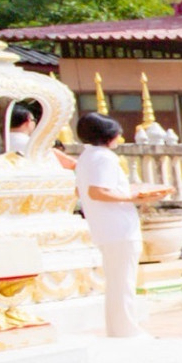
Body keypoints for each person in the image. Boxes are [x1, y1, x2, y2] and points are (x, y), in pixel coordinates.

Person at [73, 113, 168, 336]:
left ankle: (119, 330)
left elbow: (89, 190)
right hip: (119, 228)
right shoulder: (104, 157)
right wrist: (135, 198)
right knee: (123, 282)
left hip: (106, 228)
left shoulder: (87, 156)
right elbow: (97, 191)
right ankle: (128, 331)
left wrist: (128, 192)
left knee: (118, 283)